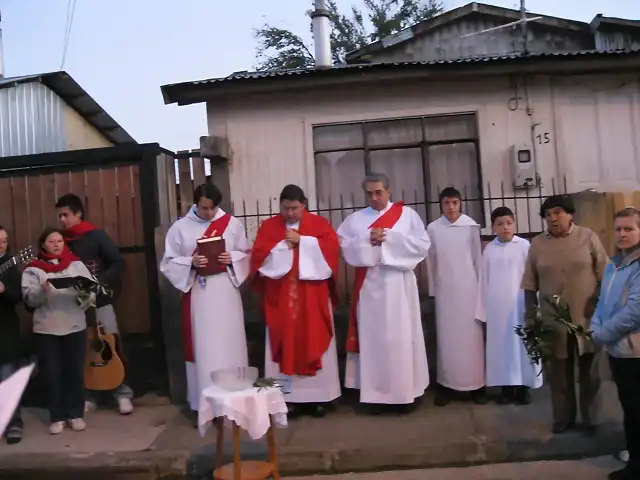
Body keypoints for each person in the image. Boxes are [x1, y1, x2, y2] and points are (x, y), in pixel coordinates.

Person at [338, 173, 431, 415]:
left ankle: (405, 394)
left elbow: (422, 245)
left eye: (379, 192)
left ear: (389, 192)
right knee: (374, 341)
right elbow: (343, 246)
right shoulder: (356, 220)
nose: (374, 197)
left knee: (401, 340)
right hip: (370, 287)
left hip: (399, 285)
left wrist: (388, 238)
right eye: (369, 193)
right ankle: (376, 397)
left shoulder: (408, 216)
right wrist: (366, 238)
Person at [251, 184, 341, 418]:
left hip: (312, 296)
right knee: (283, 343)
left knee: (314, 337)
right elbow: (259, 255)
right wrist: (283, 246)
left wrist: (303, 241)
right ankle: (283, 398)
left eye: (294, 208)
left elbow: (331, 249)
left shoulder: (319, 224)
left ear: (304, 206)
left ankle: (320, 398)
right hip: (281, 296)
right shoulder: (269, 226)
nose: (290, 213)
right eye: (285, 208)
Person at [521, 194, 608, 434]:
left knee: (590, 374)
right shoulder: (537, 245)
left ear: (570, 214)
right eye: (548, 215)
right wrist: (530, 315)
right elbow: (529, 284)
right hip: (552, 320)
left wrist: (598, 303)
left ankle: (592, 419)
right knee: (558, 374)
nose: (553, 218)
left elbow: (606, 275)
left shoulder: (588, 237)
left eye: (558, 212)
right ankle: (563, 418)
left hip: (587, 318)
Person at [160, 183, 250, 414]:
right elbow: (168, 262)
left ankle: (234, 400)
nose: (209, 213)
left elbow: (247, 254)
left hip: (226, 291)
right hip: (200, 293)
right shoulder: (180, 228)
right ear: (196, 203)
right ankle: (207, 406)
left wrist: (232, 257)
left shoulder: (232, 224)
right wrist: (191, 262)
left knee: (230, 342)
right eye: (204, 208)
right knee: (205, 346)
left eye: (213, 208)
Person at [55, 193, 132, 416]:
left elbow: (117, 262)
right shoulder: (59, 241)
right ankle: (90, 395)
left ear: (79, 214)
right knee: (83, 351)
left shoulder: (96, 236)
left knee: (112, 345)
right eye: (59, 215)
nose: (62, 220)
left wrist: (100, 284)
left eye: (66, 214)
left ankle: (123, 393)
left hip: (101, 301)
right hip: (73, 306)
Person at [22, 228, 93, 435]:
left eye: (60, 240)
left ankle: (75, 413)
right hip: (47, 328)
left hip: (74, 325)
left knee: (74, 372)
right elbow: (29, 299)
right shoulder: (33, 269)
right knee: (52, 374)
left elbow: (90, 295)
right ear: (43, 244)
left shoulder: (76, 264)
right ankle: (57, 416)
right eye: (51, 241)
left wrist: (85, 290)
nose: (56, 244)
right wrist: (42, 291)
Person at [591, 207, 640, 480]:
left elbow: (634, 312)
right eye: (619, 229)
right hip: (618, 350)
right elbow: (603, 303)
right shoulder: (614, 263)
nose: (622, 234)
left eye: (629, 228)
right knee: (630, 410)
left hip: (635, 352)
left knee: (637, 412)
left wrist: (601, 334)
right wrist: (595, 326)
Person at [475, 207, 543, 405]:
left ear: (514, 224)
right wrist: (483, 309)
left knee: (522, 346)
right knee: (501, 348)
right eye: (500, 224)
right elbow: (483, 280)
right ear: (493, 227)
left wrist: (535, 303)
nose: (505, 227)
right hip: (497, 308)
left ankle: (523, 387)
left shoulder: (524, 246)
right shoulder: (489, 251)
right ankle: (506, 388)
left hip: (521, 304)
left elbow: (533, 275)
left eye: (509, 223)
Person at [427, 186, 485, 407]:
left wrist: (480, 290)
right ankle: (447, 385)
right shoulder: (433, 229)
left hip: (469, 291)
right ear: (441, 205)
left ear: (461, 203)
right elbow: (431, 263)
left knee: (472, 340)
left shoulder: (470, 227)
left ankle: (477, 385)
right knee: (447, 340)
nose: (451, 207)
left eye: (454, 203)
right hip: (445, 292)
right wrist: (434, 290)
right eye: (446, 203)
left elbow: (476, 260)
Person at [0, 227, 25, 444]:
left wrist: (4, 290)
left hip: (5, 331)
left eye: (5, 241)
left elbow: (18, 295)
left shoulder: (10, 265)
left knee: (8, 376)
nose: (2, 244)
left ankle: (14, 423)